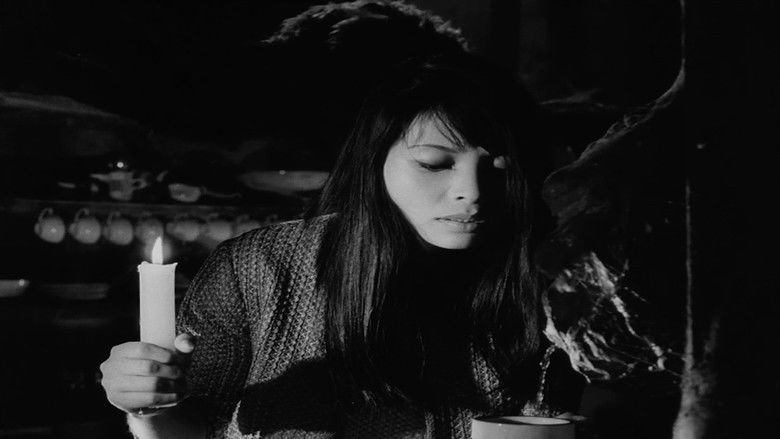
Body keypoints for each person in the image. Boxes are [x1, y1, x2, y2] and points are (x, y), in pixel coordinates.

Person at [99, 53, 584, 439]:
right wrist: (146, 406)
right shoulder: (261, 268)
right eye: (434, 164)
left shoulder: (560, 279)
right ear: (375, 162)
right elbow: (194, 428)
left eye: (499, 167)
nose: (471, 192)